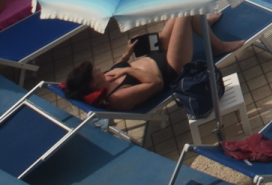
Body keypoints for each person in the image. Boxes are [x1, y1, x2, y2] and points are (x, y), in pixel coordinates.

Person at [62, 13, 246, 112]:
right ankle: (218, 46)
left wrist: (127, 54)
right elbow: (155, 84)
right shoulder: (117, 98)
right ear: (93, 84)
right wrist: (127, 71)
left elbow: (119, 65)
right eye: (95, 71)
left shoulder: (103, 80)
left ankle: (200, 23)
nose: (99, 68)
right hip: (171, 67)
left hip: (158, 54)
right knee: (185, 13)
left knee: (180, 11)